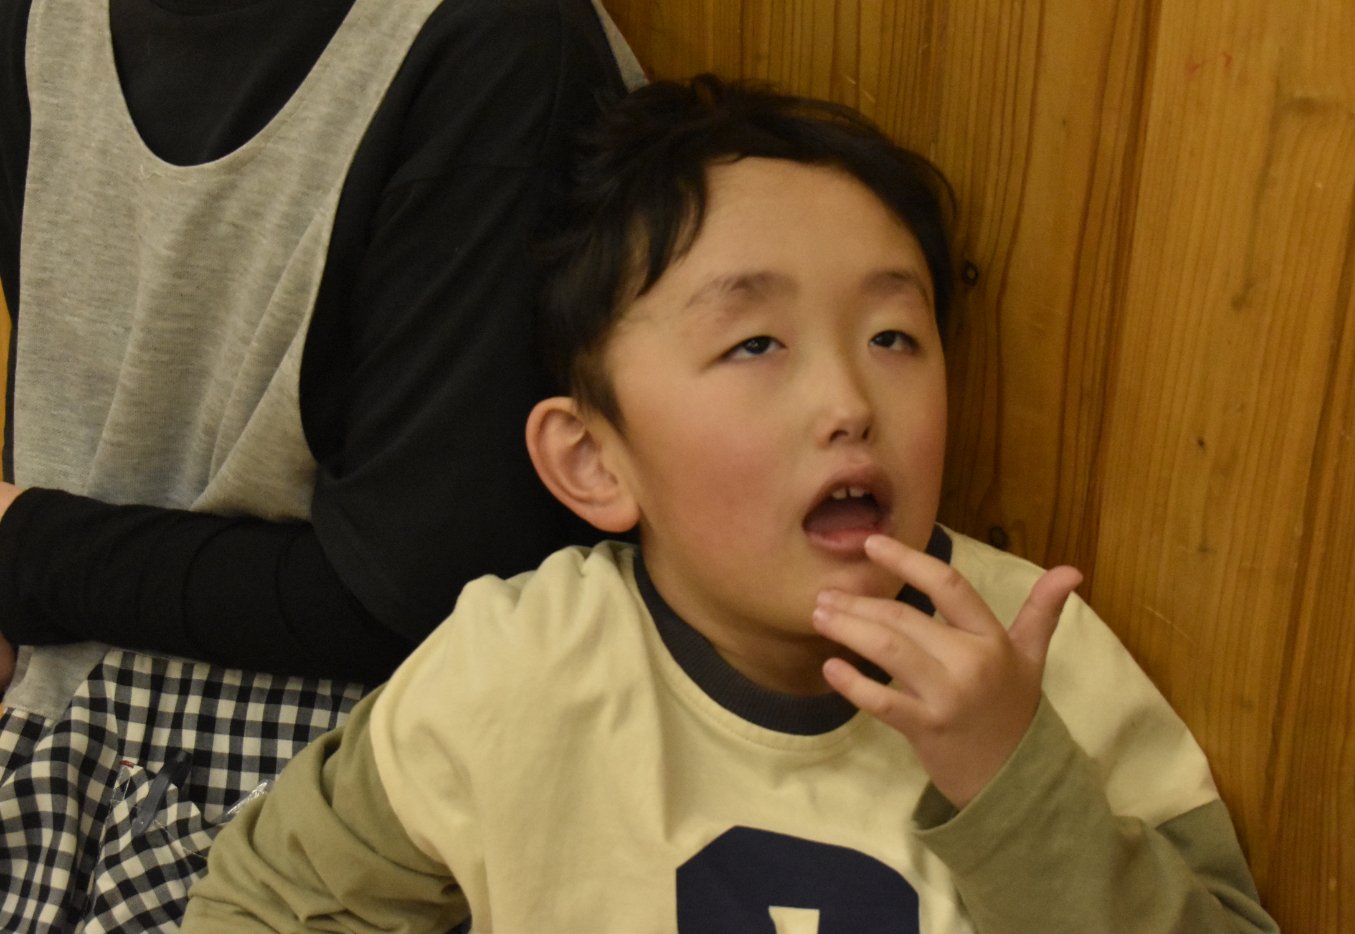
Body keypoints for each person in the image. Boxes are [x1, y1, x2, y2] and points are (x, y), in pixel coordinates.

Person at [181, 75, 1279, 932]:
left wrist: (1010, 773)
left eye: (893, 337)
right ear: (594, 461)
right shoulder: (519, 670)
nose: (848, 402)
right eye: (754, 344)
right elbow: (268, 905)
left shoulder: (1040, 654)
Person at [0, 0, 641, 928]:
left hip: (334, 789)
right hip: (53, 729)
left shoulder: (497, 46)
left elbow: (418, 594)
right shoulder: (36, 25)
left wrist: (26, 552)